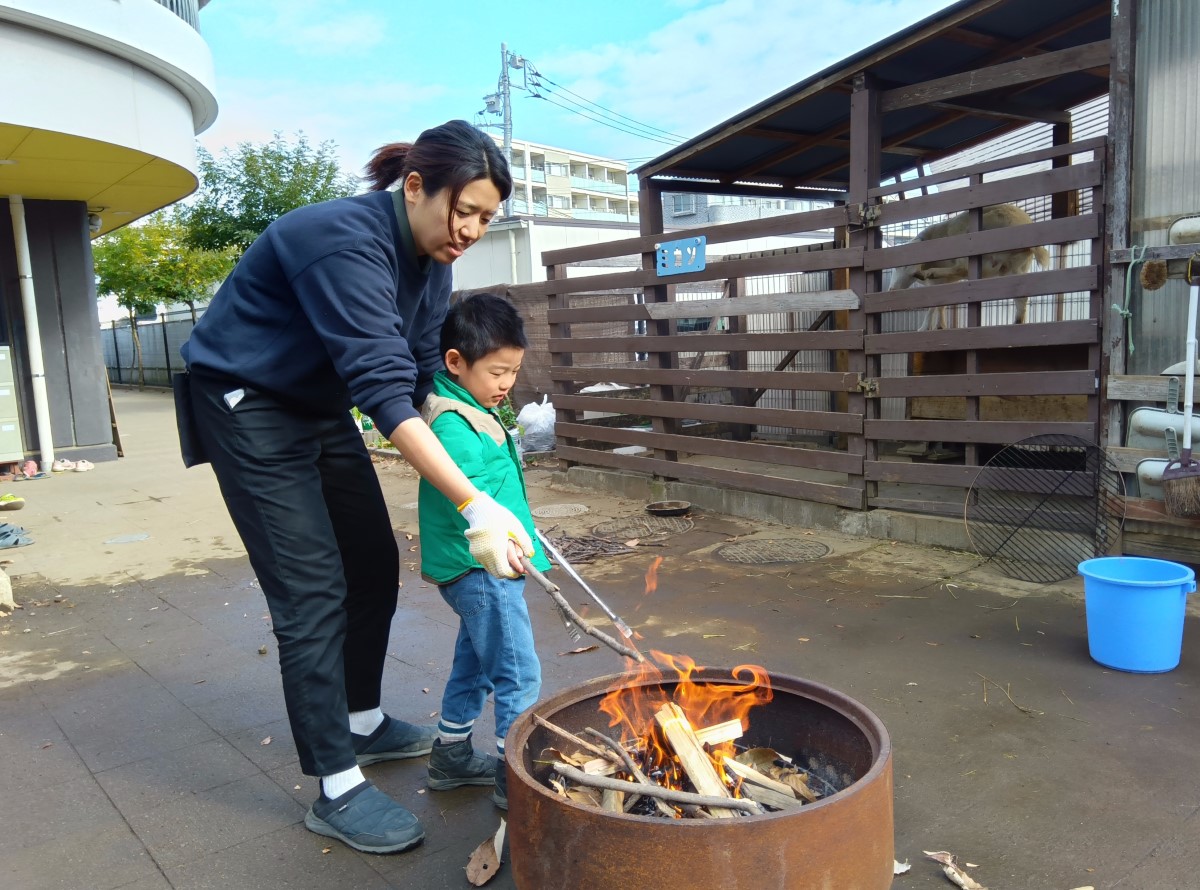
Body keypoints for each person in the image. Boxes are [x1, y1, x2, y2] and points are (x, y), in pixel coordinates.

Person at [176, 120, 534, 856]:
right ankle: (336, 788)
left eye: (486, 219)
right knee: (310, 593)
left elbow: (411, 375)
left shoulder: (432, 262)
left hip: (316, 403)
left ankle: (363, 723)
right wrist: (473, 504)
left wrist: (474, 452)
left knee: (372, 565)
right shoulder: (341, 239)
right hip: (246, 401)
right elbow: (380, 388)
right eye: (461, 210)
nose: (469, 229)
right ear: (415, 188)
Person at [417, 293, 550, 811]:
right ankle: (513, 776)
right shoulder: (453, 423)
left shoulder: (473, 406)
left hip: (480, 567)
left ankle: (450, 755)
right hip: (481, 570)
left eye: (513, 372)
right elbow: (469, 495)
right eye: (497, 372)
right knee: (518, 672)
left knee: (474, 665)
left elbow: (497, 487)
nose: (507, 384)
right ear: (456, 361)